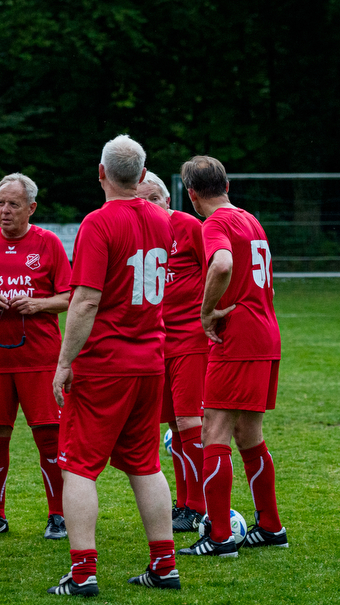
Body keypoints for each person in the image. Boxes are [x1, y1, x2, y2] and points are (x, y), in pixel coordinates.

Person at [49, 135, 179, 596]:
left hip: (106, 362)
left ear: (100, 172)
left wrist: (64, 363)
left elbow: (85, 301)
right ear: (143, 177)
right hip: (151, 360)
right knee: (146, 465)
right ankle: (164, 565)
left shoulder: (98, 223)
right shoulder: (165, 220)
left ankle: (83, 572)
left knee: (78, 466)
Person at [176, 155, 288, 558]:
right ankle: (271, 527)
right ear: (227, 186)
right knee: (248, 435)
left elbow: (222, 263)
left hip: (236, 339)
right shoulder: (249, 218)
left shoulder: (215, 223)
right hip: (265, 335)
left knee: (214, 434)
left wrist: (206, 312)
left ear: (190, 194)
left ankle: (220, 537)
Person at [0, 173, 70, 540]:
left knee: (49, 436)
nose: (4, 211)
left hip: (40, 357)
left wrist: (38, 304)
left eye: (13, 204)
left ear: (31, 208)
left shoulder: (49, 243)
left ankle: (58, 515)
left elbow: (70, 297)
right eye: (0, 203)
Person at [137, 172, 209, 532]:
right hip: (157, 340)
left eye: (153, 199)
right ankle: (183, 503)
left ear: (167, 200)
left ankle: (198, 505)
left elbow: (218, 269)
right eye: (141, 200)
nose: (147, 206)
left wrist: (212, 314)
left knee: (189, 422)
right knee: (173, 426)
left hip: (191, 339)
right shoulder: (140, 234)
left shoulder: (190, 227)